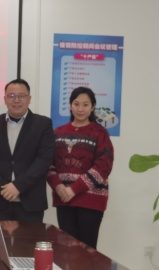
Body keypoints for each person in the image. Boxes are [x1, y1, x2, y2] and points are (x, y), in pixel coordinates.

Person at [46, 87, 114, 249]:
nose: (80, 109)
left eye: (85, 104)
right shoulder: (58, 132)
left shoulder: (100, 133)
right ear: (70, 106)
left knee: (87, 251)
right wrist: (58, 186)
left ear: (92, 107)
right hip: (63, 199)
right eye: (76, 104)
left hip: (90, 200)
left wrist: (74, 189)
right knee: (66, 251)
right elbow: (48, 163)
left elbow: (104, 166)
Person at [0, 79, 55, 222]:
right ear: (5, 99)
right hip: (0, 200)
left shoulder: (43, 124)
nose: (16, 100)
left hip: (31, 201)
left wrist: (18, 186)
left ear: (29, 99)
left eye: (21, 96)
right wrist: (2, 188)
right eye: (11, 96)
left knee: (29, 238)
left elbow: (44, 159)